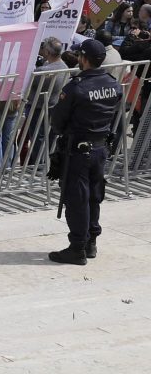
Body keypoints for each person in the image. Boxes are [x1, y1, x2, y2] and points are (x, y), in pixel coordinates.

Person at [47, 39, 122, 265]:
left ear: (84, 59)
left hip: (78, 150)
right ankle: (91, 242)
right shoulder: (113, 84)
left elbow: (57, 121)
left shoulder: (76, 87)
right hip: (100, 148)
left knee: (77, 198)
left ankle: (77, 247)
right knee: (93, 196)